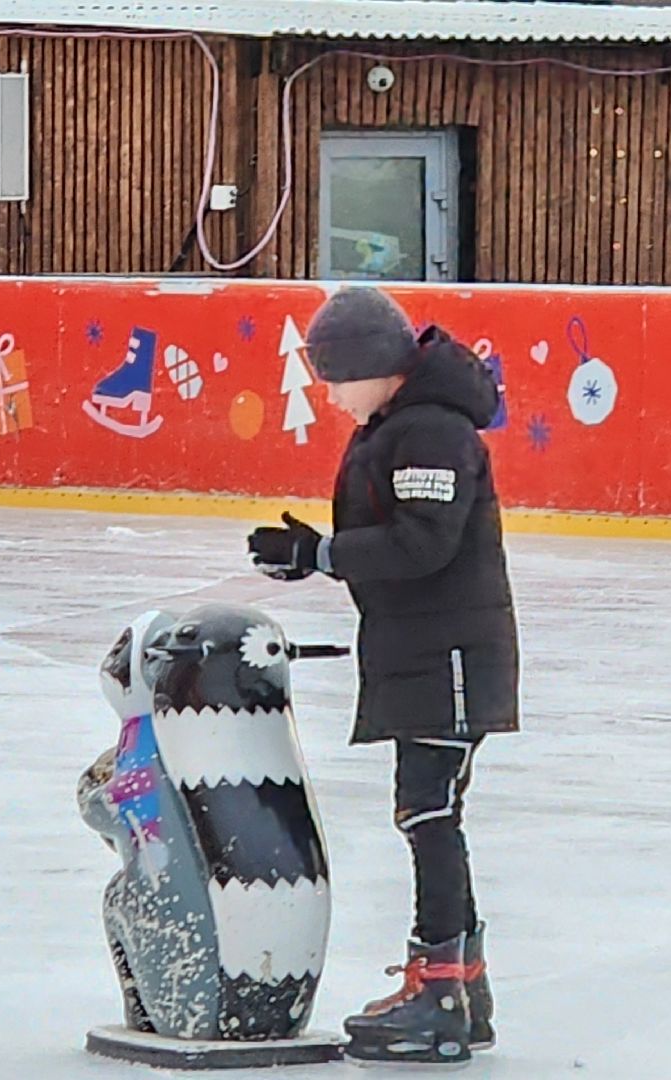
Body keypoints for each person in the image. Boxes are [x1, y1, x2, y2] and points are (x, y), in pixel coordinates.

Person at [246, 287, 520, 1064]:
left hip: (452, 655)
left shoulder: (431, 430)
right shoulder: (402, 424)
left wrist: (326, 555)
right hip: (428, 648)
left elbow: (424, 544)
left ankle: (440, 991)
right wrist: (316, 556)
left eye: (336, 377)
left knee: (429, 813)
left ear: (373, 365)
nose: (329, 396)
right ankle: (458, 982)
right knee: (427, 811)